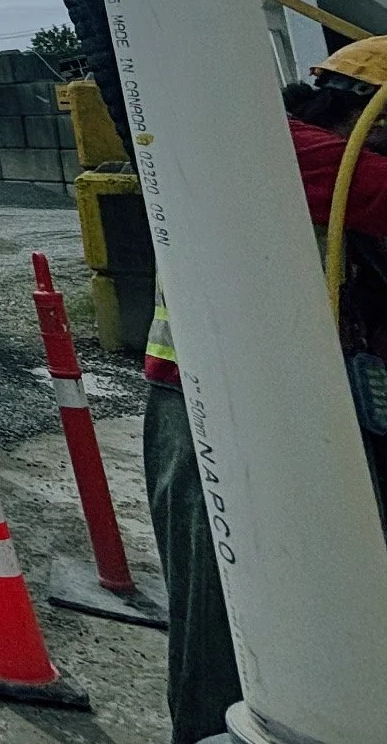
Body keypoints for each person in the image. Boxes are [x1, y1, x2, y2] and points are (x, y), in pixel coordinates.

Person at [142, 37, 387, 744]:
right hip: (212, 411)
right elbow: (370, 188)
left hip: (321, 406)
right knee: (227, 619)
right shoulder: (267, 144)